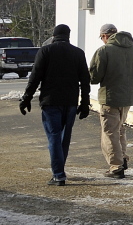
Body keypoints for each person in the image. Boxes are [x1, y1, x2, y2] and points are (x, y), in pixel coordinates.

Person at [19, 24, 91, 185]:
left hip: (50, 101)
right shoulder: (78, 53)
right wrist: (85, 103)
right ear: (68, 35)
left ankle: (58, 174)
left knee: (54, 137)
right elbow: (85, 81)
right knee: (64, 139)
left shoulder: (45, 51)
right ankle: (59, 171)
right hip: (71, 101)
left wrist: (26, 98)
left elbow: (35, 77)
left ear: (54, 35)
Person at [89, 23, 133, 179]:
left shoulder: (104, 51)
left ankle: (116, 166)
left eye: (101, 38)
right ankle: (123, 158)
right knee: (119, 129)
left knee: (110, 131)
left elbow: (94, 77)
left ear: (105, 36)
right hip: (128, 97)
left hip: (110, 97)